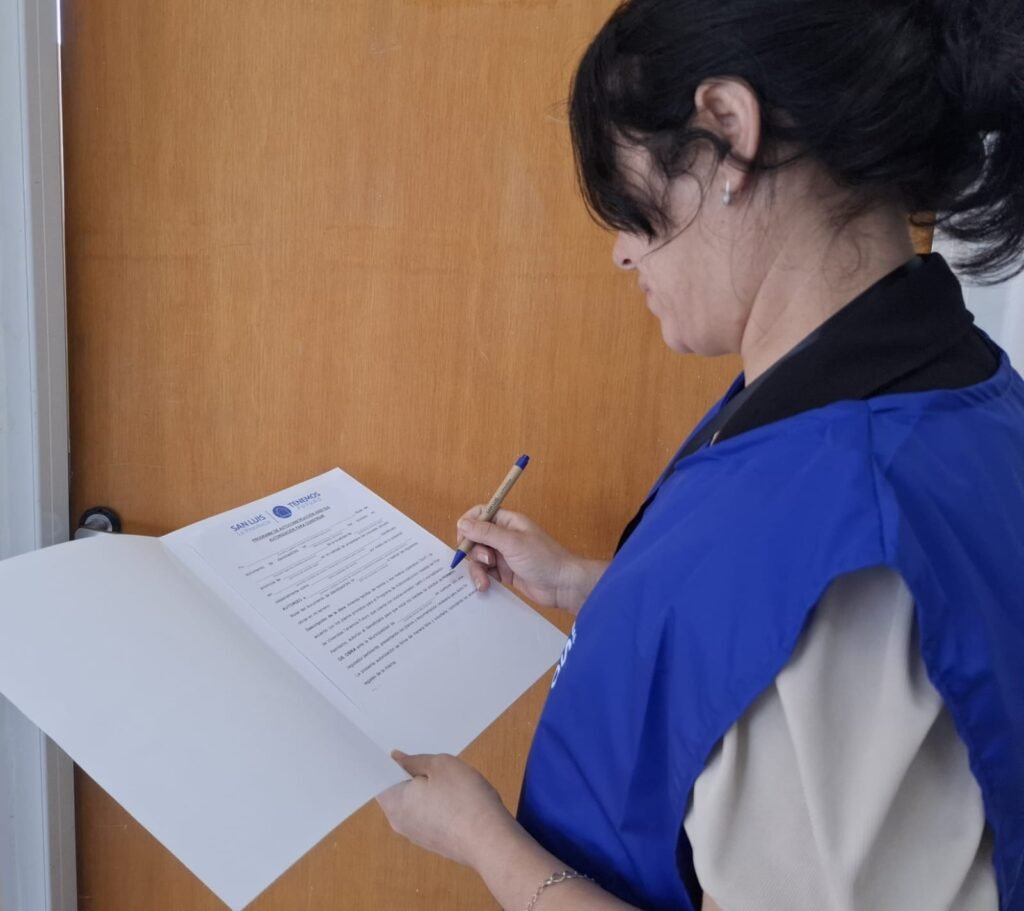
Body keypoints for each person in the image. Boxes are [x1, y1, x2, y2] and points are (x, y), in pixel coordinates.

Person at [377, 0, 1024, 908]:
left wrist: (484, 841)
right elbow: (750, 644)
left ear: (728, 133)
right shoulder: (929, 392)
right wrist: (593, 587)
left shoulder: (856, 550)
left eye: (627, 204)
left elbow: (799, 622)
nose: (621, 254)